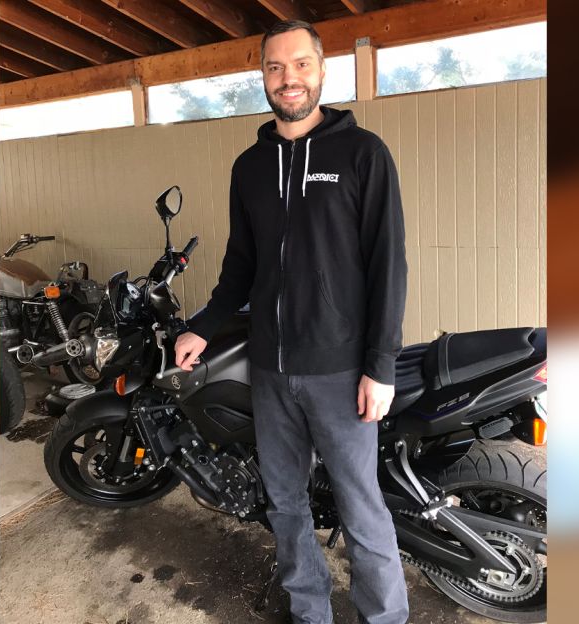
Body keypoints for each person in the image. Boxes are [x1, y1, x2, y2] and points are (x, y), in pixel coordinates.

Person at [174, 19, 409, 624]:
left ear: (323, 70)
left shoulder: (363, 154)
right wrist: (205, 323)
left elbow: (389, 265)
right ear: (263, 77)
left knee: (362, 509)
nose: (289, 78)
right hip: (271, 367)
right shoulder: (249, 166)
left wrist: (379, 367)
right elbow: (241, 263)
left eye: (300, 64)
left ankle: (383, 617)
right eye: (276, 67)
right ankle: (311, 612)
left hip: (340, 370)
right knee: (285, 504)